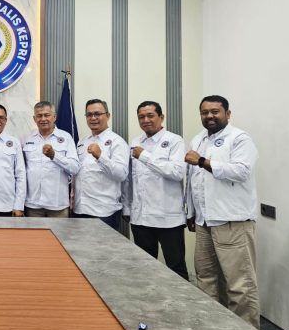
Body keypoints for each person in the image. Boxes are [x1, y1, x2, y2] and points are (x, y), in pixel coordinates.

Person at [185, 95, 260, 327]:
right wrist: (191, 212)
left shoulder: (239, 138)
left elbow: (241, 172)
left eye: (215, 111)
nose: (209, 116)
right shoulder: (198, 139)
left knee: (239, 285)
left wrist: (202, 162)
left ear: (227, 113)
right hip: (204, 222)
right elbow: (193, 180)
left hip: (232, 222)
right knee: (206, 278)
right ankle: (215, 329)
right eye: (205, 112)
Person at [122, 101, 188, 280]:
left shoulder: (174, 140)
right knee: (144, 269)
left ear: (161, 117)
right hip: (141, 218)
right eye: (141, 117)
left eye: (150, 115)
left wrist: (144, 156)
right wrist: (127, 206)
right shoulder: (136, 142)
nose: (146, 120)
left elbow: (177, 173)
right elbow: (130, 178)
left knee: (176, 268)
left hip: (168, 219)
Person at [73, 99, 129, 230]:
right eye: (89, 115)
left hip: (104, 212)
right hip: (80, 209)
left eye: (97, 114)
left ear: (108, 115)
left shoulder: (117, 142)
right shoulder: (82, 142)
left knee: (103, 245)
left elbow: (121, 175)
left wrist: (100, 157)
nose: (93, 118)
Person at [22, 101, 80, 217]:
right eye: (39, 116)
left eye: (47, 115)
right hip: (33, 205)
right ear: (34, 119)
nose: (43, 119)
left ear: (54, 117)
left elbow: (75, 168)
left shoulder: (66, 137)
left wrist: (54, 156)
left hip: (57, 205)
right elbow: (21, 171)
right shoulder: (26, 138)